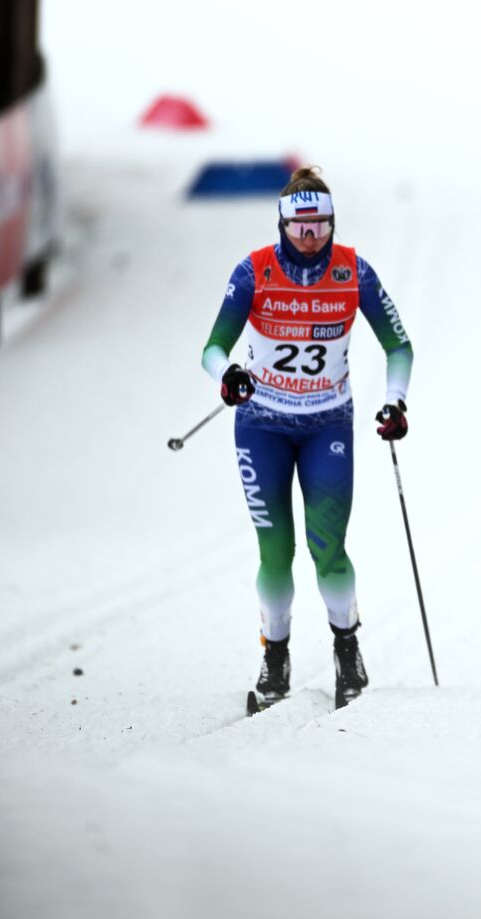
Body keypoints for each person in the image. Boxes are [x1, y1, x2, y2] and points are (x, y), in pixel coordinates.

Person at [201, 166, 415, 710]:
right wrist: (227, 375)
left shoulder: (353, 271)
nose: (310, 237)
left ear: (332, 223)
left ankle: (348, 650)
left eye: (320, 226)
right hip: (262, 425)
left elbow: (400, 346)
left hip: (326, 424)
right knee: (275, 551)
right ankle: (275, 659)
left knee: (328, 548)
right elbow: (213, 348)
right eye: (300, 227)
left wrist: (395, 399)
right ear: (282, 225)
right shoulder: (254, 272)